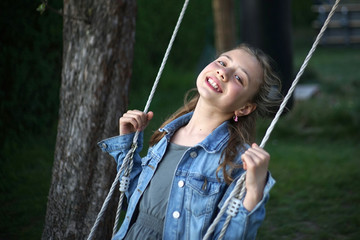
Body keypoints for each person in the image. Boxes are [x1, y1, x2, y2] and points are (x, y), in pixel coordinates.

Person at [98, 43, 282, 240]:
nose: (223, 73)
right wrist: (127, 147)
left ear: (244, 108)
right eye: (222, 62)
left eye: (239, 78)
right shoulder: (167, 135)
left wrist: (254, 193)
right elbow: (136, 200)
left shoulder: (237, 162)